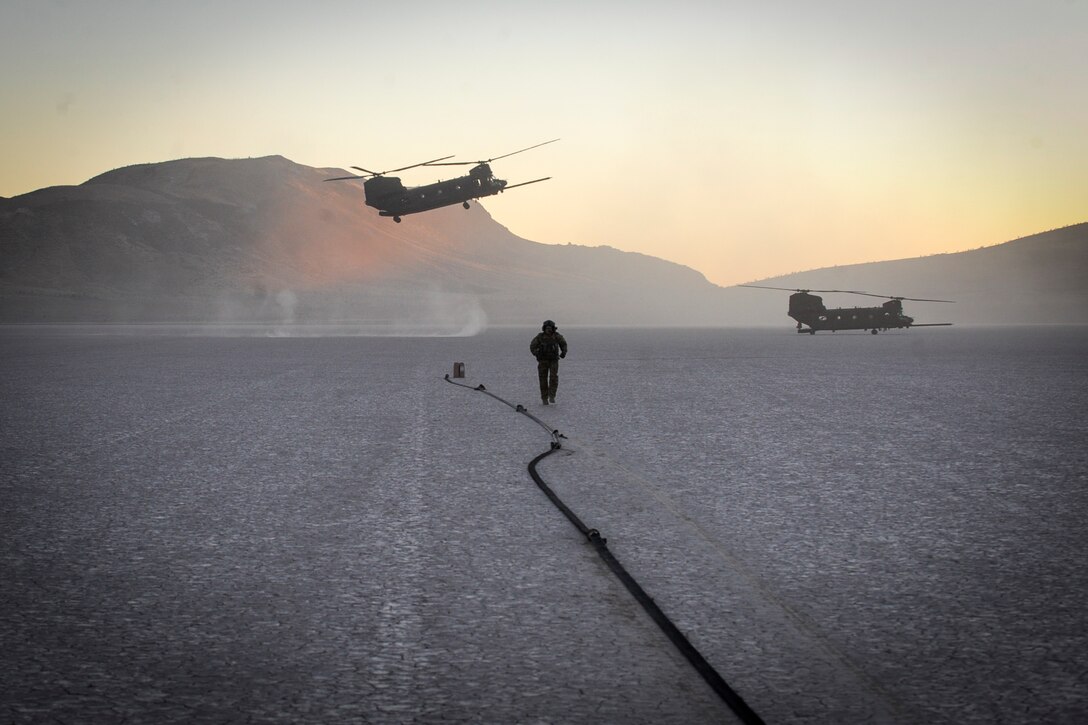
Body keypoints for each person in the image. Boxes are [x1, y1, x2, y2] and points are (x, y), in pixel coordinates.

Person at [529, 319, 568, 405]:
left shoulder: (557, 336)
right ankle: (544, 398)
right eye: (547, 328)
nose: (549, 330)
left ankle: (552, 396)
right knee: (543, 379)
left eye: (550, 328)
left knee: (553, 378)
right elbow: (532, 346)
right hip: (543, 361)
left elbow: (563, 344)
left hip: (553, 361)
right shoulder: (540, 337)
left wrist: (563, 353)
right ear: (544, 328)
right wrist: (537, 354)